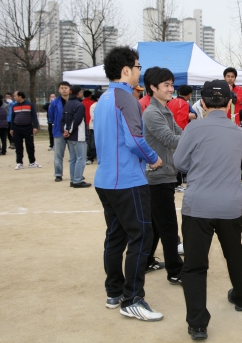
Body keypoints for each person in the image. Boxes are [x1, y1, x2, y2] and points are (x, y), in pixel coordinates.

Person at [173, 79, 242, 341]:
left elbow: (179, 162)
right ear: (231, 103)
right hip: (230, 207)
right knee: (235, 252)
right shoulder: (238, 132)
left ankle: (197, 323)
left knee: (195, 265)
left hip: (198, 205)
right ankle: (241, 297)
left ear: (202, 102)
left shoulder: (193, 128)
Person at [93, 46, 163, 321]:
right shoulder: (126, 98)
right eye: (137, 67)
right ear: (126, 70)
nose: (139, 72)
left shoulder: (105, 98)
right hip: (127, 182)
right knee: (141, 236)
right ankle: (132, 298)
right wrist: (154, 158)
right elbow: (134, 139)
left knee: (116, 235)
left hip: (106, 180)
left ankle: (114, 292)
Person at [142, 66, 184, 282]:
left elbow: (179, 132)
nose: (171, 89)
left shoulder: (165, 110)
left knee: (155, 224)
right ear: (153, 87)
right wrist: (198, 140)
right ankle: (176, 272)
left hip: (165, 174)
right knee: (168, 226)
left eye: (171, 84)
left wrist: (195, 134)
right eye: (166, 85)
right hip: (157, 178)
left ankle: (147, 259)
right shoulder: (151, 113)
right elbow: (170, 138)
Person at [61, 85, 90, 188]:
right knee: (80, 158)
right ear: (78, 93)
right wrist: (70, 130)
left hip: (69, 136)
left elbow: (64, 119)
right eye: (81, 92)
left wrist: (66, 131)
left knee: (73, 159)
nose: (82, 94)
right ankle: (77, 180)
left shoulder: (67, 103)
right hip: (78, 135)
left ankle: (73, 179)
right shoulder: (80, 105)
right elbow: (77, 120)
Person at [10, 91, 41, 170]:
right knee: (18, 146)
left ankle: (32, 162)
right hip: (17, 128)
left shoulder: (30, 105)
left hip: (27, 127)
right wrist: (11, 128)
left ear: (20, 96)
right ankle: (19, 163)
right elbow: (12, 118)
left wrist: (35, 127)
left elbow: (34, 116)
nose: (14, 98)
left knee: (30, 145)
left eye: (15, 96)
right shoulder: (14, 106)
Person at [48, 82, 71, 182]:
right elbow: (51, 117)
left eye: (66, 88)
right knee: (58, 154)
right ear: (59, 90)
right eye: (62, 88)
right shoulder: (54, 103)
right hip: (58, 131)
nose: (64, 90)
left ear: (69, 89)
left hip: (72, 131)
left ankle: (75, 174)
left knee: (74, 155)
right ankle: (58, 174)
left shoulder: (74, 101)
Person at [86, 91, 101, 165]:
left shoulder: (105, 105)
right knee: (92, 144)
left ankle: (100, 157)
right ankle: (90, 158)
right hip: (94, 127)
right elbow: (93, 117)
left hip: (102, 128)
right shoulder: (93, 106)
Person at [82, 90, 95, 160]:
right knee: (91, 141)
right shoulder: (93, 103)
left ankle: (86, 153)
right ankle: (91, 154)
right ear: (90, 96)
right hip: (91, 124)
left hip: (84, 123)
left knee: (86, 140)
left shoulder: (81, 103)